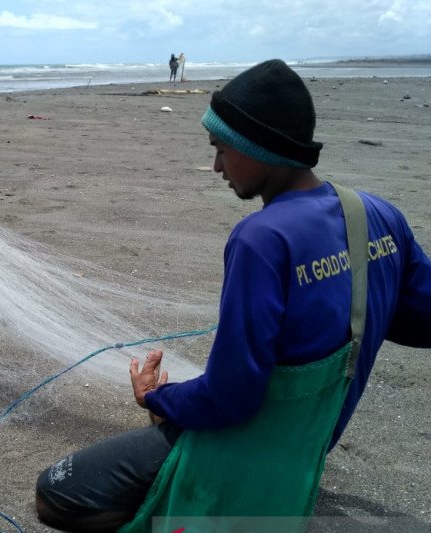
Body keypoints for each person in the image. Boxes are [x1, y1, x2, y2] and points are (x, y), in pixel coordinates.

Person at [35, 59, 431, 531]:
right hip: (312, 439)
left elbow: (232, 397)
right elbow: (421, 320)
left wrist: (157, 399)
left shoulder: (261, 239)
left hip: (258, 442)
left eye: (222, 149)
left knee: (55, 494)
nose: (217, 165)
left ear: (260, 147)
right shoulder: (379, 214)